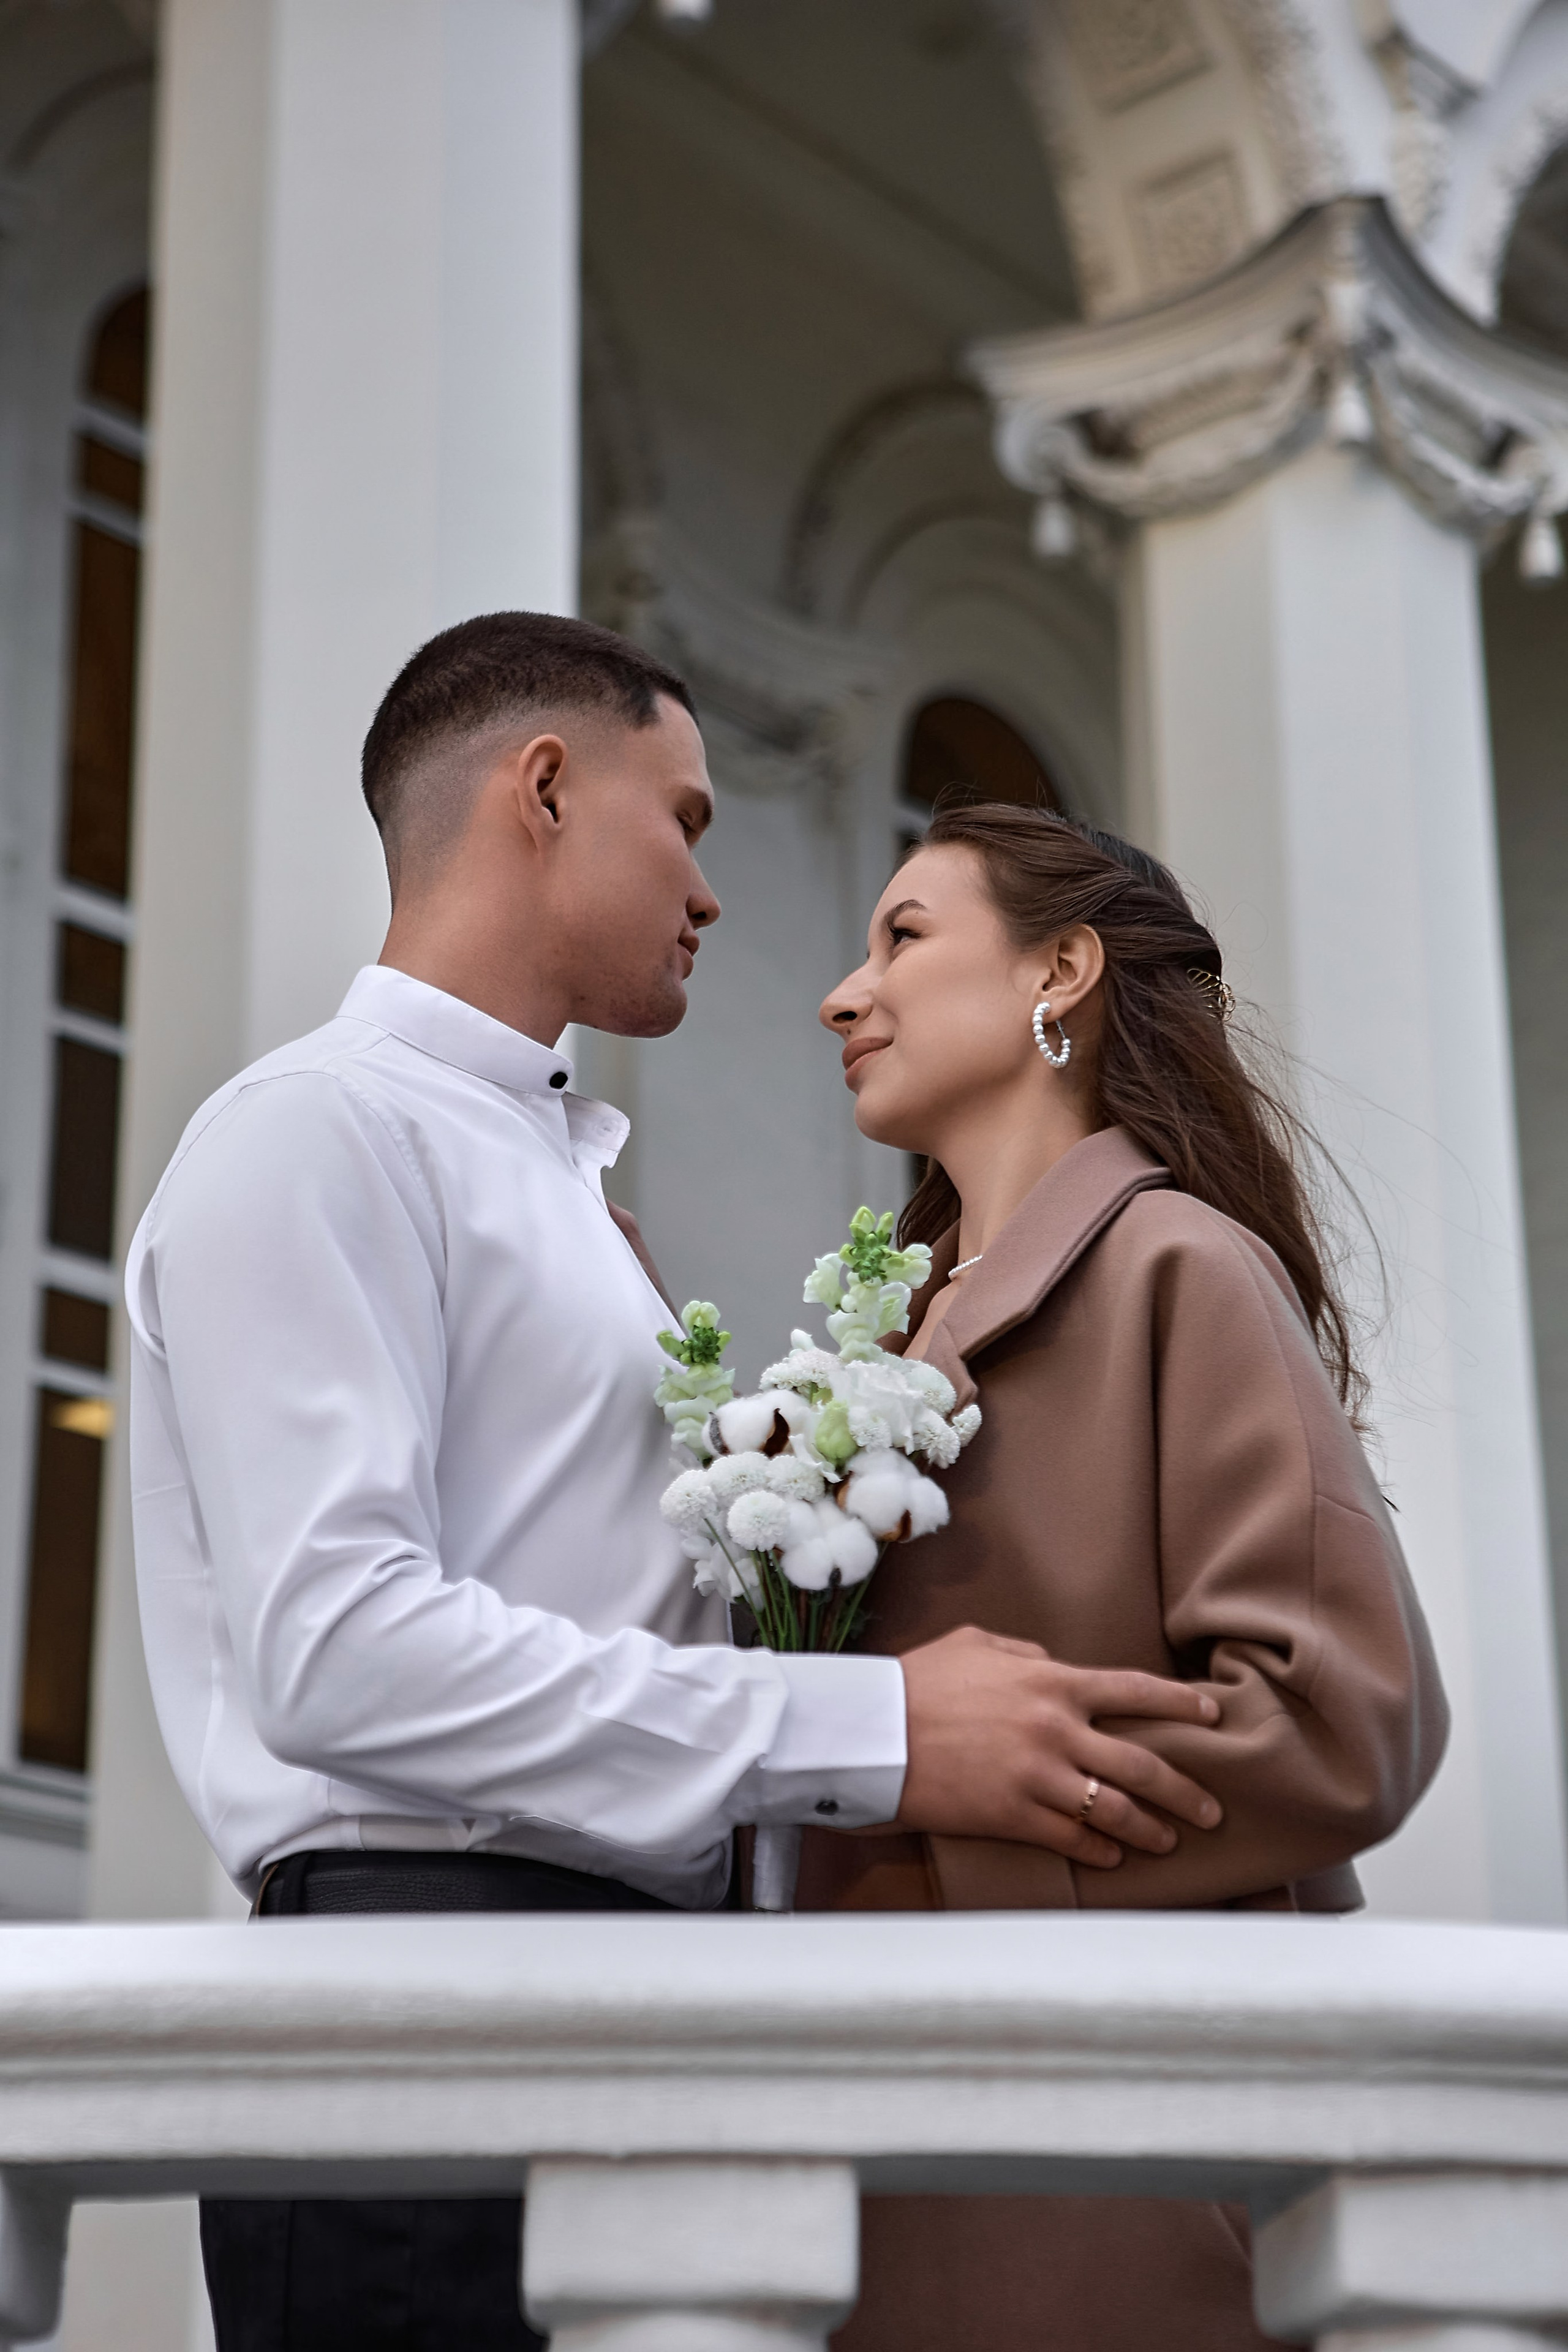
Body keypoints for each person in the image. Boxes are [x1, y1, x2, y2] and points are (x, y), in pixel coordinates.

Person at [124, 616, 1229, 2352]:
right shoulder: (317, 1129)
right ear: (545, 790)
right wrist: (881, 1729)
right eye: (688, 820)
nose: (712, 892)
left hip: (627, 1999)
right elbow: (336, 1652)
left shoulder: (553, 1189)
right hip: (430, 2002)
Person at [805, 802, 1449, 2352]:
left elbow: (1340, 1718)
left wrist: (952, 1844)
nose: (841, 992)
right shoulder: (878, 1343)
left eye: (902, 937)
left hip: (1099, 2157)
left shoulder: (1180, 1268)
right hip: (861, 2117)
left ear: (1061, 970)